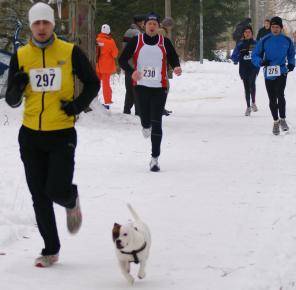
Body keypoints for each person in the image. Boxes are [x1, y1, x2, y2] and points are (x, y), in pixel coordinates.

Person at [5, 2, 100, 267]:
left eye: (46, 22)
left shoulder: (69, 51)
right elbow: (11, 100)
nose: (42, 27)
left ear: (52, 24)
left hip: (61, 134)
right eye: (37, 23)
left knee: (56, 189)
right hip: (30, 136)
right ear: (32, 26)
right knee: (39, 196)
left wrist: (77, 106)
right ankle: (50, 249)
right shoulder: (21, 55)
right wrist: (16, 87)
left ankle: (70, 199)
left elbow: (93, 82)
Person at [119, 12, 182, 172]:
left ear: (158, 26)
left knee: (157, 122)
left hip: (159, 88)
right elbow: (122, 59)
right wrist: (131, 71)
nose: (152, 26)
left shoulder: (164, 42)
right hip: (140, 87)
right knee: (145, 120)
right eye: (149, 24)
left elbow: (174, 57)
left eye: (155, 24)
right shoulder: (137, 41)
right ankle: (145, 125)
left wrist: (176, 66)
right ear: (145, 26)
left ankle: (155, 158)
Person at [252, 16, 296, 135]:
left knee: (280, 94)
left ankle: (282, 119)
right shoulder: (265, 40)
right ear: (270, 28)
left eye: (277, 27)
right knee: (272, 98)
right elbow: (255, 55)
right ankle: (275, 121)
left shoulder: (286, 40)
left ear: (281, 28)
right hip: (269, 71)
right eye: (273, 27)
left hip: (281, 70)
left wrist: (291, 64)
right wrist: (261, 62)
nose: (274, 29)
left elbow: (291, 54)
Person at [231, 26, 259, 116]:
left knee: (252, 83)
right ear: (243, 34)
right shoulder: (240, 44)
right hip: (243, 68)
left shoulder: (256, 43)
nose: (247, 33)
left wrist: (259, 62)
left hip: (253, 67)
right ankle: (248, 107)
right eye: (246, 32)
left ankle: (253, 102)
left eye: (249, 32)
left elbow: (261, 54)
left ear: (252, 33)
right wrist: (237, 57)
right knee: (246, 87)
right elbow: (234, 56)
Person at [122, 14, 145, 115]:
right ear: (139, 22)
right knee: (136, 89)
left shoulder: (127, 31)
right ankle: (138, 111)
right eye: (144, 22)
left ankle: (127, 110)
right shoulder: (137, 33)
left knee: (129, 89)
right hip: (134, 64)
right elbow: (139, 50)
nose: (144, 24)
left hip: (127, 64)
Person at [95, 24, 118, 110]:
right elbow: (115, 54)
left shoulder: (97, 40)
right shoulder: (111, 41)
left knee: (96, 84)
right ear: (109, 31)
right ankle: (107, 101)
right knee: (106, 85)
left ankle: (94, 99)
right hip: (107, 67)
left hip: (97, 66)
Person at [158, 17, 175, 117]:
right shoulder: (161, 32)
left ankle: (161, 107)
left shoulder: (161, 31)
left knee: (164, 87)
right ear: (168, 25)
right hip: (160, 64)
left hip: (162, 64)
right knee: (164, 87)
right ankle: (160, 108)